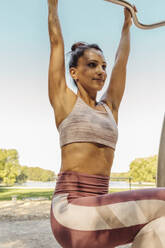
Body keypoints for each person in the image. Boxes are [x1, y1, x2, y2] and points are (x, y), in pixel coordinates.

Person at [47, 1, 165, 247]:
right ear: (74, 73)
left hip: (99, 209)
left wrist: (127, 25)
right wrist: (52, 6)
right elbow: (56, 41)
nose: (101, 71)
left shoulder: (109, 108)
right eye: (92, 65)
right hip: (70, 211)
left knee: (159, 229)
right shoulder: (65, 102)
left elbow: (121, 62)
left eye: (102, 66)